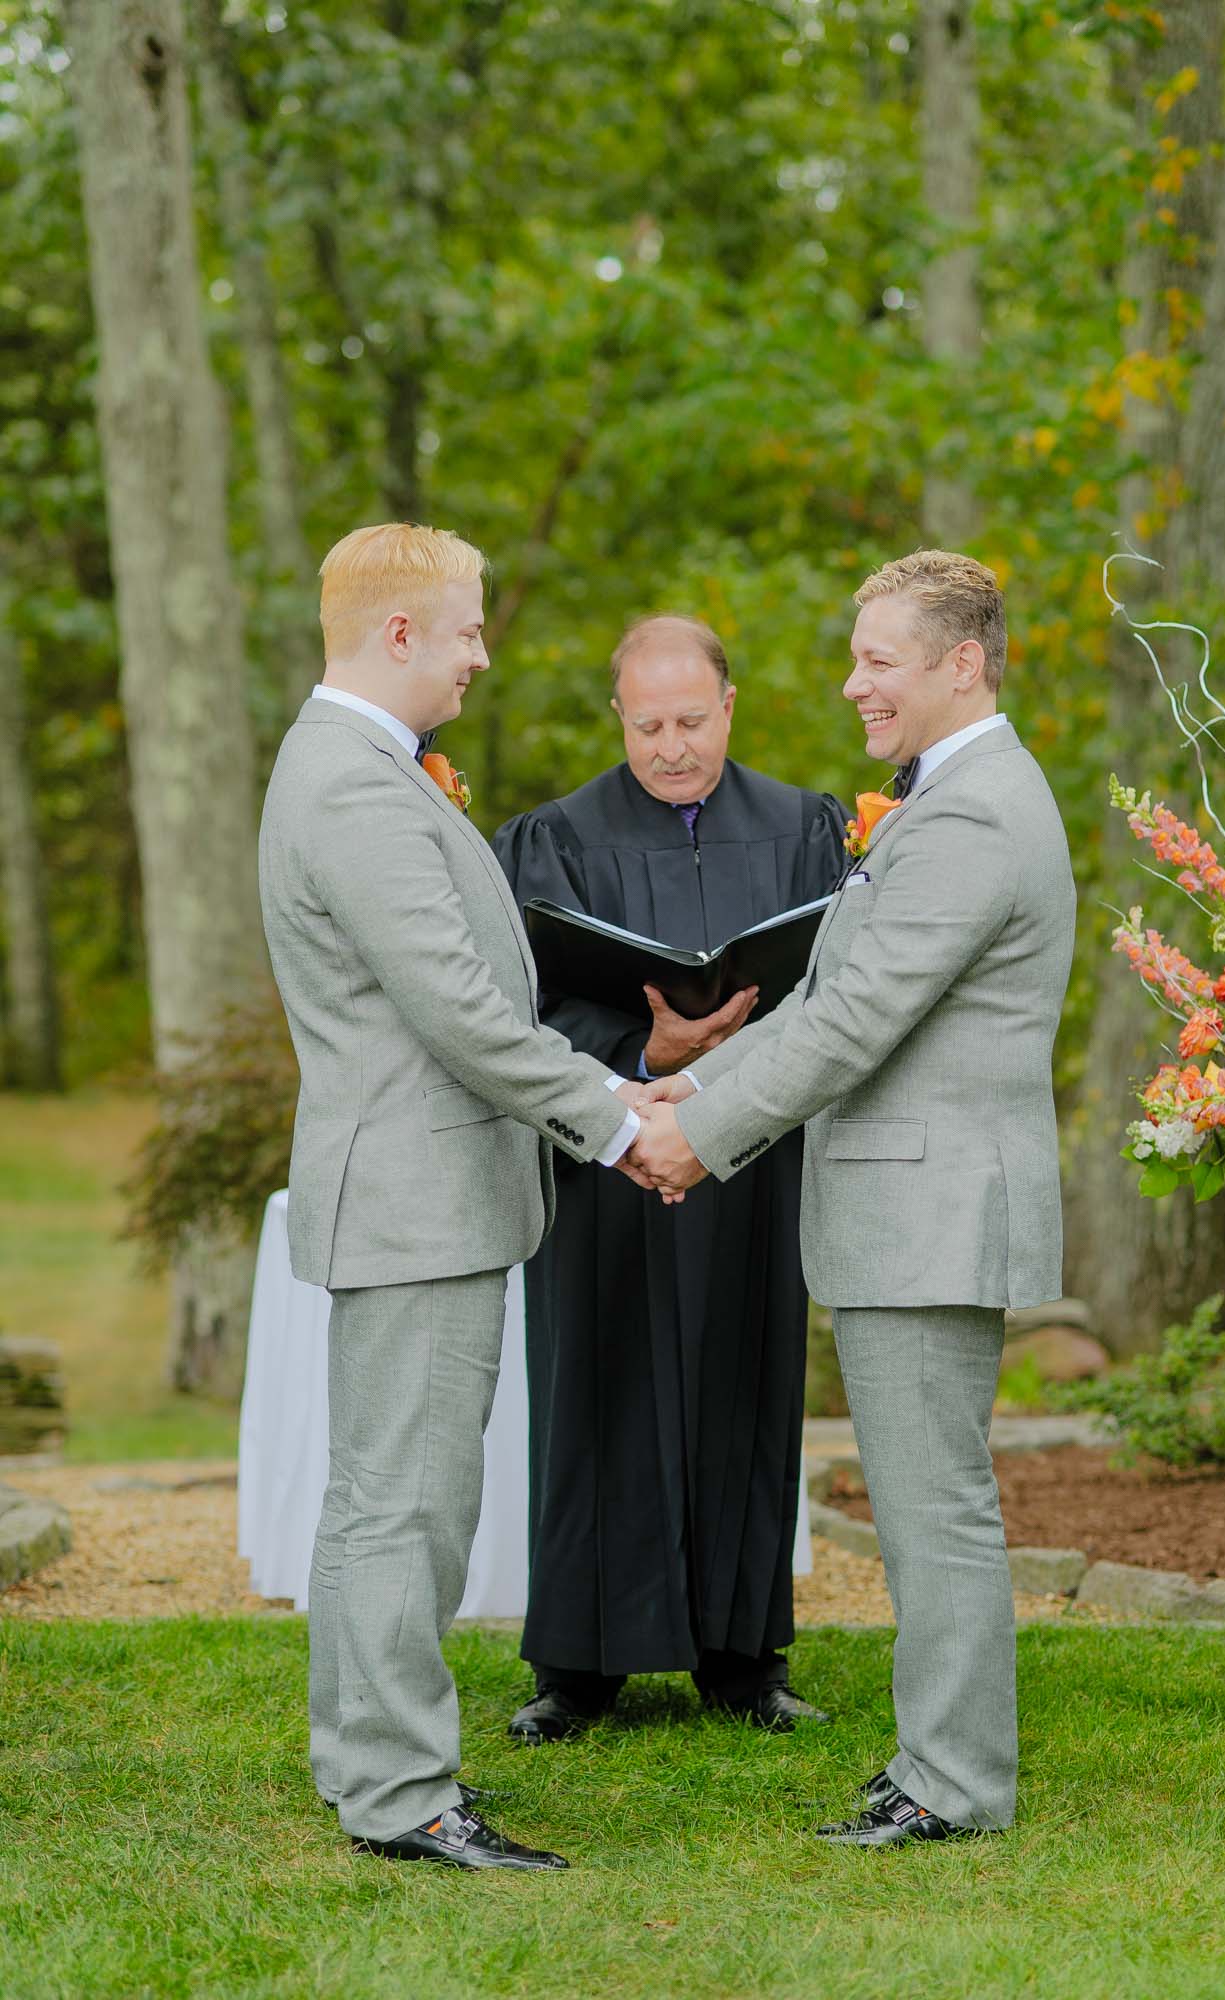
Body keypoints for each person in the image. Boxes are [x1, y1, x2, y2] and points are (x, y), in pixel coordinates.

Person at [632, 552, 1076, 1846]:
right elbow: (830, 1007)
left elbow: (858, 1024)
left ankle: (953, 1780)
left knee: (931, 1503)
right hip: (909, 1209)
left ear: (959, 663)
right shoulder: (940, 798)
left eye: (877, 659)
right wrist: (681, 1096)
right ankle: (935, 1754)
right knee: (920, 1496)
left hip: (929, 1210)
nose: (851, 683)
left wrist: (695, 1137)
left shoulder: (976, 812)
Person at [258, 522, 652, 1872]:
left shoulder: (367, 772)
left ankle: (367, 1763)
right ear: (403, 634)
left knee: (391, 1494)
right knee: (402, 1504)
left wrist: (623, 1093)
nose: (485, 652)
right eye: (472, 627)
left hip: (430, 1194)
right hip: (416, 1198)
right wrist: (609, 1120)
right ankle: (399, 1794)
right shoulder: (355, 788)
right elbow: (459, 1014)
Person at [492, 615, 847, 1740]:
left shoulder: (804, 827)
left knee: (743, 1383)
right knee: (593, 1387)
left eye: (690, 720)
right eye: (646, 725)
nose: (669, 746)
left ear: (728, 707)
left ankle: (744, 1658)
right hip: (611, 1154)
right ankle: (578, 1668)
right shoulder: (554, 836)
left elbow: (837, 993)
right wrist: (647, 1057)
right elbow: (521, 1005)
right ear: (619, 717)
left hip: (747, 1157)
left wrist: (722, 1072)